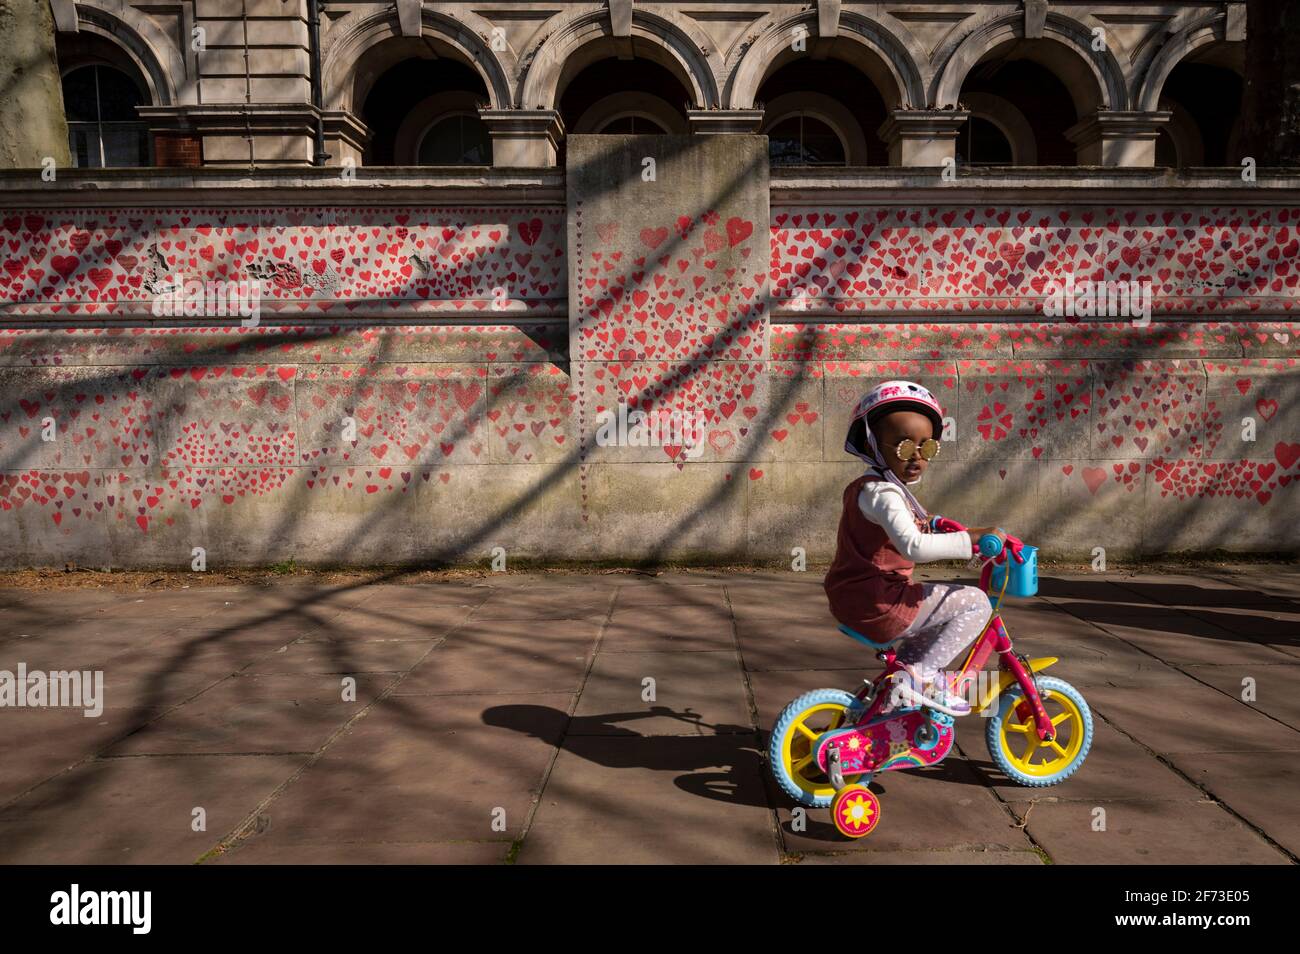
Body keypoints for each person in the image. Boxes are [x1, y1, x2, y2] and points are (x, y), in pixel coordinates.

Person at [823, 380, 1009, 716]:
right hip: (881, 604)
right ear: (873, 445)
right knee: (975, 603)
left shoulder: (874, 487)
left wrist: (947, 524)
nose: (917, 458)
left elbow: (909, 523)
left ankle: (899, 683)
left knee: (936, 608)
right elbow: (912, 545)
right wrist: (972, 542)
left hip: (854, 597)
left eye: (928, 449)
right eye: (905, 448)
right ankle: (922, 678)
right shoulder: (885, 495)